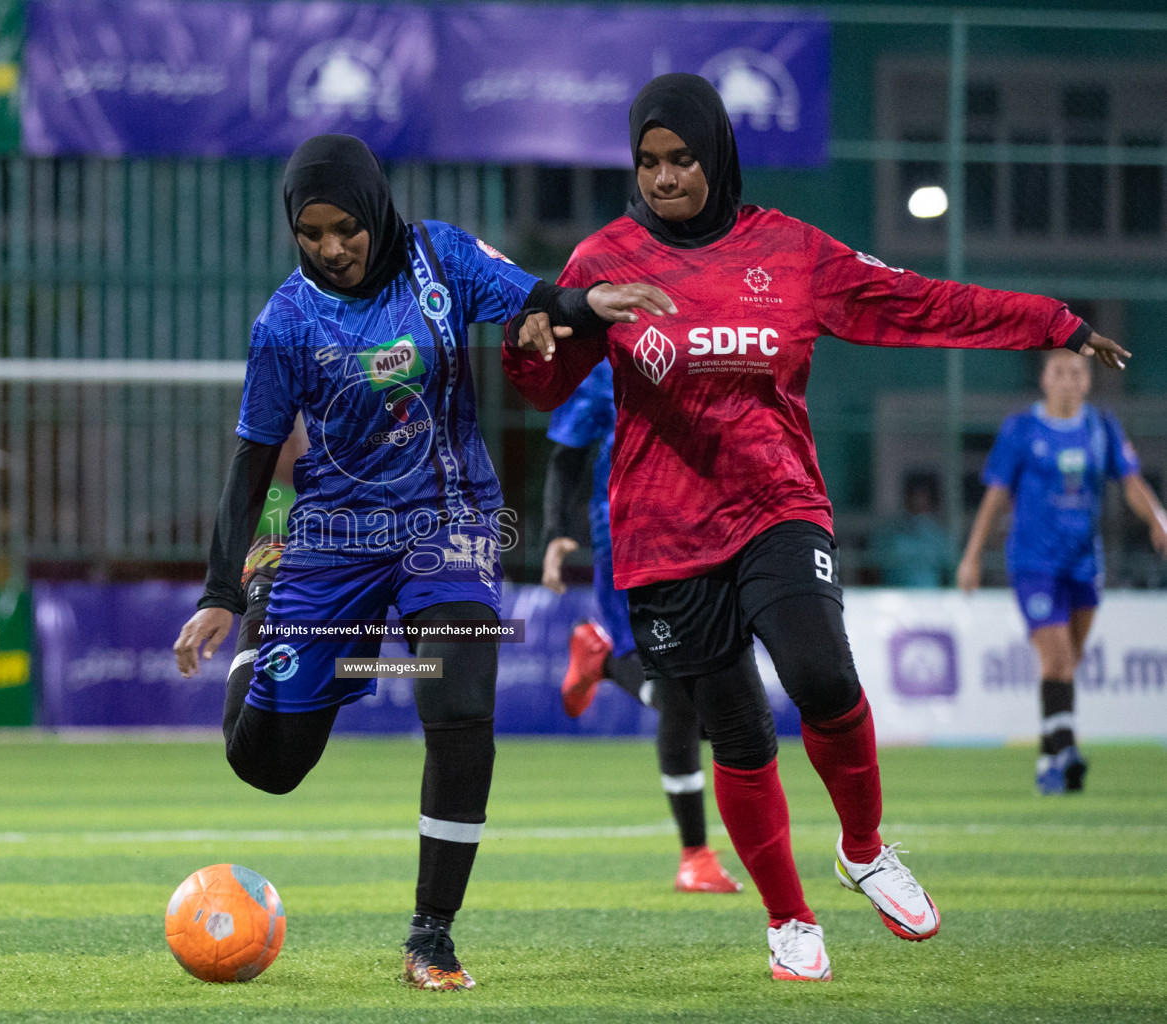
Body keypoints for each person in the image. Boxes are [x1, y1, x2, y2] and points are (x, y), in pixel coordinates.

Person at [502, 73, 1131, 982]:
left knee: (822, 673)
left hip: (777, 505)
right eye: (648, 162)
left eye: (682, 159)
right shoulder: (604, 260)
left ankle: (865, 848)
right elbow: (550, 385)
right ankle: (789, 919)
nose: (665, 177)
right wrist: (534, 342)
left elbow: (923, 303)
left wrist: (1051, 324)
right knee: (740, 732)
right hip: (665, 535)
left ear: (717, 156)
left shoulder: (789, 252)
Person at [172, 133, 673, 991]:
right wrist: (226, 590)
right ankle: (268, 592)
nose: (333, 248)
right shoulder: (284, 322)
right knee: (267, 765)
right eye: (312, 233)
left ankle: (431, 938)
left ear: (375, 207)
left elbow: (537, 298)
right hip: (331, 541)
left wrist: (587, 303)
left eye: (346, 228)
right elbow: (253, 459)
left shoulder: (440, 257)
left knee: (460, 702)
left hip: (452, 522)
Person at [541, 358, 741, 893]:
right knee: (680, 701)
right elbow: (567, 454)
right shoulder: (603, 363)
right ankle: (696, 856)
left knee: (720, 715)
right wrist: (557, 532)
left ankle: (601, 660)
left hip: (704, 535)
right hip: (627, 540)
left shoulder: (715, 343)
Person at [958, 349, 1167, 794]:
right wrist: (972, 555)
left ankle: (1050, 760)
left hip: (1084, 561)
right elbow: (995, 497)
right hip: (1033, 561)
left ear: (1087, 382)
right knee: (1056, 657)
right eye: (1060, 372)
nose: (1069, 380)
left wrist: (1157, 520)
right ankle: (1067, 748)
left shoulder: (1100, 426)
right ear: (1045, 380)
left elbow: (1130, 481)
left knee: (1068, 661)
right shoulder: (1022, 429)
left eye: (1077, 372)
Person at [870, 473, 957, 587]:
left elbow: (951, 570)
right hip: (895, 598)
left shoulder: (939, 535)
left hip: (932, 598)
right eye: (915, 495)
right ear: (907, 497)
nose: (919, 500)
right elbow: (872, 568)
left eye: (923, 495)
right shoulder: (889, 532)